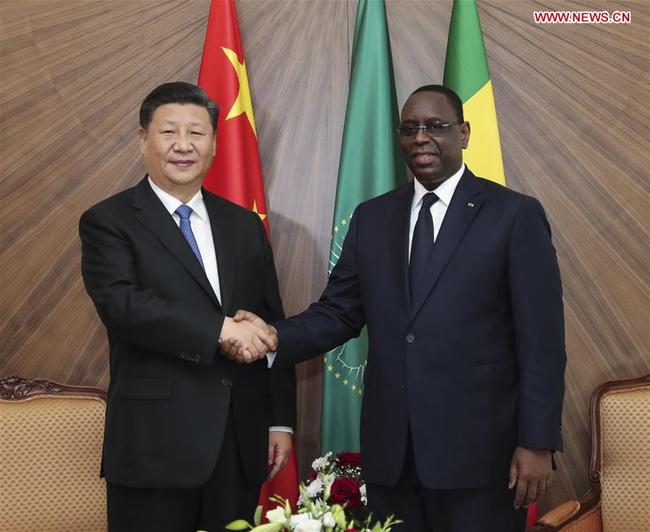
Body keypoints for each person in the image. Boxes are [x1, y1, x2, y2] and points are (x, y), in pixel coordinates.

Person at [227, 85, 566, 532]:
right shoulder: (373, 218)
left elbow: (542, 341)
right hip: (393, 458)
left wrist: (537, 441)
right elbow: (339, 312)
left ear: (463, 133)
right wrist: (274, 336)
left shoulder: (513, 214)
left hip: (482, 458)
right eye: (410, 129)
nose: (421, 137)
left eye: (435, 127)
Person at [79, 81, 295, 532]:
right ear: (143, 140)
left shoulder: (243, 225)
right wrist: (220, 329)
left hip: (239, 442)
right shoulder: (108, 221)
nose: (183, 146)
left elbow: (268, 320)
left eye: (196, 133)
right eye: (168, 132)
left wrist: (280, 421)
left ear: (214, 144)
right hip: (155, 446)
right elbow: (123, 305)